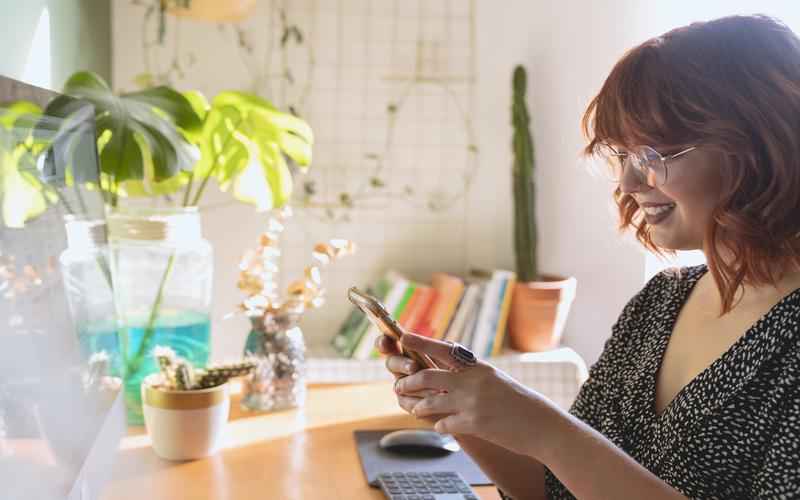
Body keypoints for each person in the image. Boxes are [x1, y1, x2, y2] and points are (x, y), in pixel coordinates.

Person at [376, 15, 800, 499]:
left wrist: (550, 433)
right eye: (622, 156)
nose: (630, 184)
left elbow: (563, 452)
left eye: (653, 154)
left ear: (760, 143)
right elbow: (559, 490)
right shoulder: (660, 302)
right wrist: (464, 413)